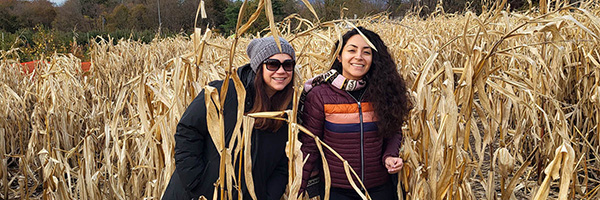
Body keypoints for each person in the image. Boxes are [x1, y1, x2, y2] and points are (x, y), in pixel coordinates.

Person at [162, 36, 296, 200]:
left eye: (288, 65)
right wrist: (197, 184)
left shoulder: (288, 111)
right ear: (258, 67)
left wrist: (267, 196)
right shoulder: (222, 93)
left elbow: (282, 164)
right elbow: (187, 132)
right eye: (273, 64)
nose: (281, 71)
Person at [299, 27, 412, 199]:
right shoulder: (320, 95)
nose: (359, 56)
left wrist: (390, 155)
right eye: (351, 50)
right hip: (336, 191)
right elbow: (310, 146)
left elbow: (393, 131)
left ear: (373, 58)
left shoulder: (382, 92)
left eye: (366, 52)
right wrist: (300, 189)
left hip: (380, 189)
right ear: (339, 56)